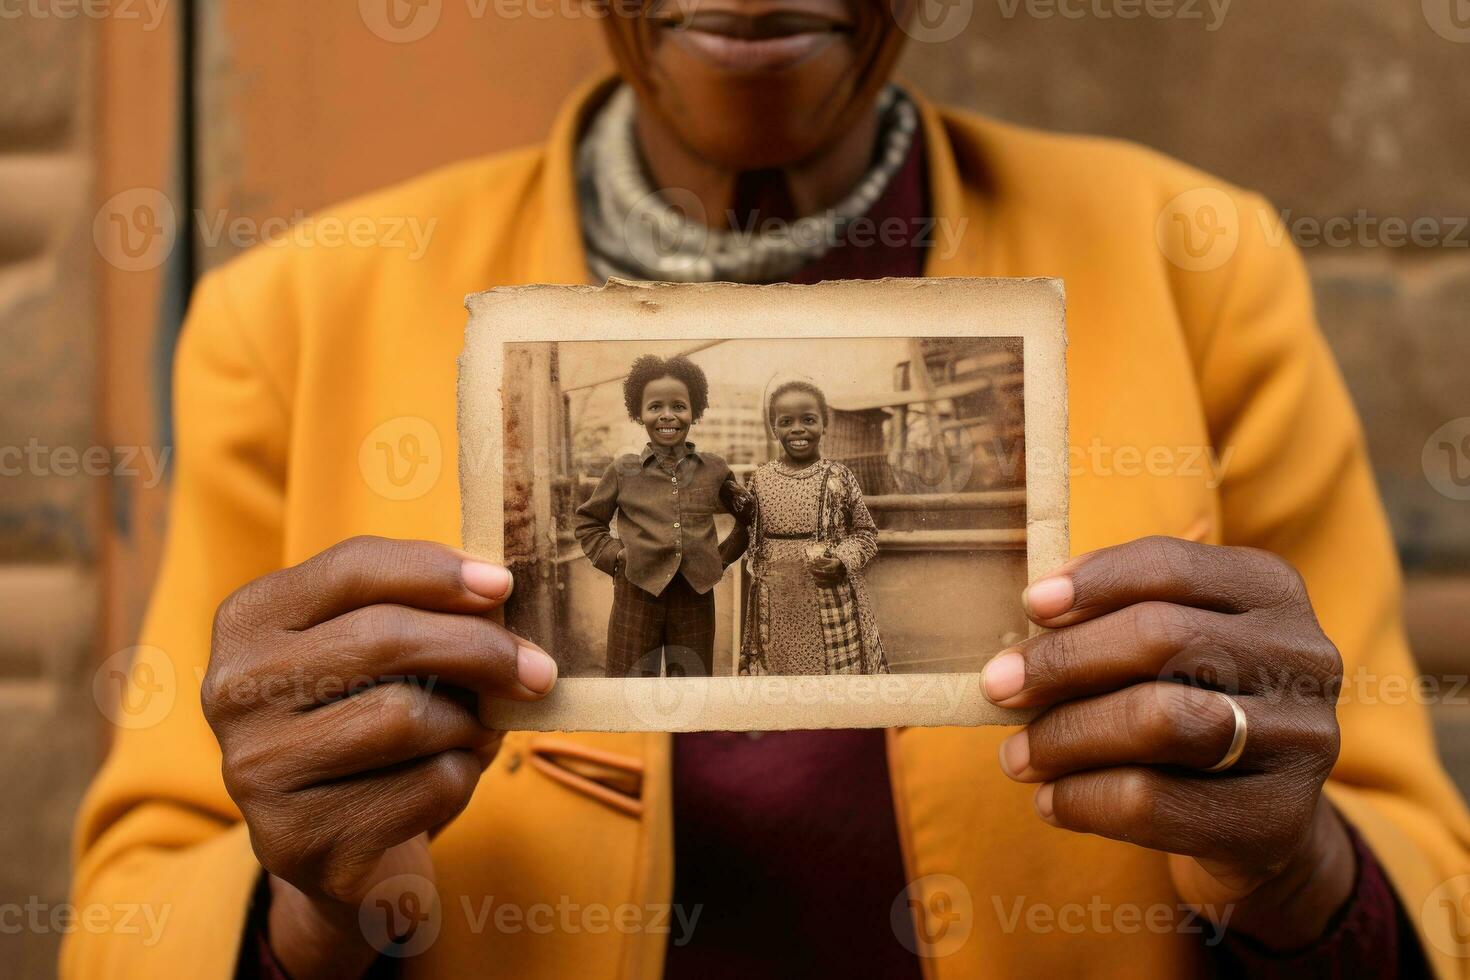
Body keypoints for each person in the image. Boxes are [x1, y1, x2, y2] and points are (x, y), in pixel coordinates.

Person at [66, 0, 1470, 976]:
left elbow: (1414, 875)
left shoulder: (1193, 266)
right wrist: (300, 908)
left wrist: (1296, 866)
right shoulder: (294, 319)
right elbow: (140, 904)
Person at [573, 354, 752, 678]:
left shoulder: (714, 469)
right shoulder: (622, 469)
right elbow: (587, 522)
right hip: (635, 596)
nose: (667, 415)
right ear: (639, 412)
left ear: (694, 410)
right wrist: (617, 558)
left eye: (678, 406)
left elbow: (747, 517)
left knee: (691, 691)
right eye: (655, 407)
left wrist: (719, 559)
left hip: (695, 599)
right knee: (629, 689)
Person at [739, 379, 889, 676]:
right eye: (786, 421)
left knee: (835, 683)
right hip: (778, 604)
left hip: (832, 597)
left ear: (824, 425)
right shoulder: (759, 479)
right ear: (773, 428)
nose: (798, 429)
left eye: (808, 420)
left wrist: (842, 560)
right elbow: (748, 538)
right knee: (782, 681)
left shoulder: (840, 477)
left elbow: (865, 534)